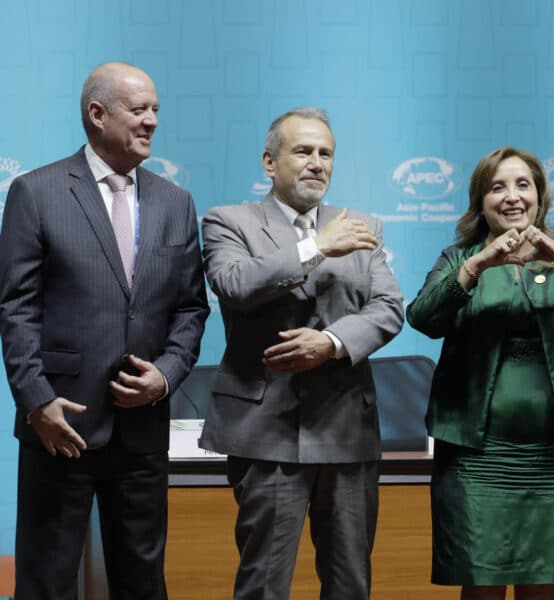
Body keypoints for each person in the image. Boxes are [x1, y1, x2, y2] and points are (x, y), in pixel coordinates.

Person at [0, 62, 209, 598]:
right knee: (46, 583)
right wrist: (35, 400)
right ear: (97, 114)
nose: (153, 122)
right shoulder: (36, 192)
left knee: (142, 584)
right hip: (60, 427)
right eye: (139, 110)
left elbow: (191, 310)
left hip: (142, 433)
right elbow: (16, 308)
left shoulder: (175, 202)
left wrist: (164, 377)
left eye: (156, 110)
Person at [407, 147, 554, 600]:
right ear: (480, 201)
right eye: (497, 187)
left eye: (522, 184)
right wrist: (476, 267)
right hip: (477, 455)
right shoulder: (460, 257)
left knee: (542, 582)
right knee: (482, 583)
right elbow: (423, 318)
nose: (511, 197)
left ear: (540, 196)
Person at [198, 107, 403, 599]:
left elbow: (389, 307)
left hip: (346, 431)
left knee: (350, 583)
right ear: (269, 162)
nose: (317, 163)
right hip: (266, 432)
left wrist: (331, 343)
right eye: (303, 151)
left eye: (325, 153)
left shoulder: (362, 225)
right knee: (264, 584)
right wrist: (314, 246)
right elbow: (235, 283)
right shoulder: (229, 221)